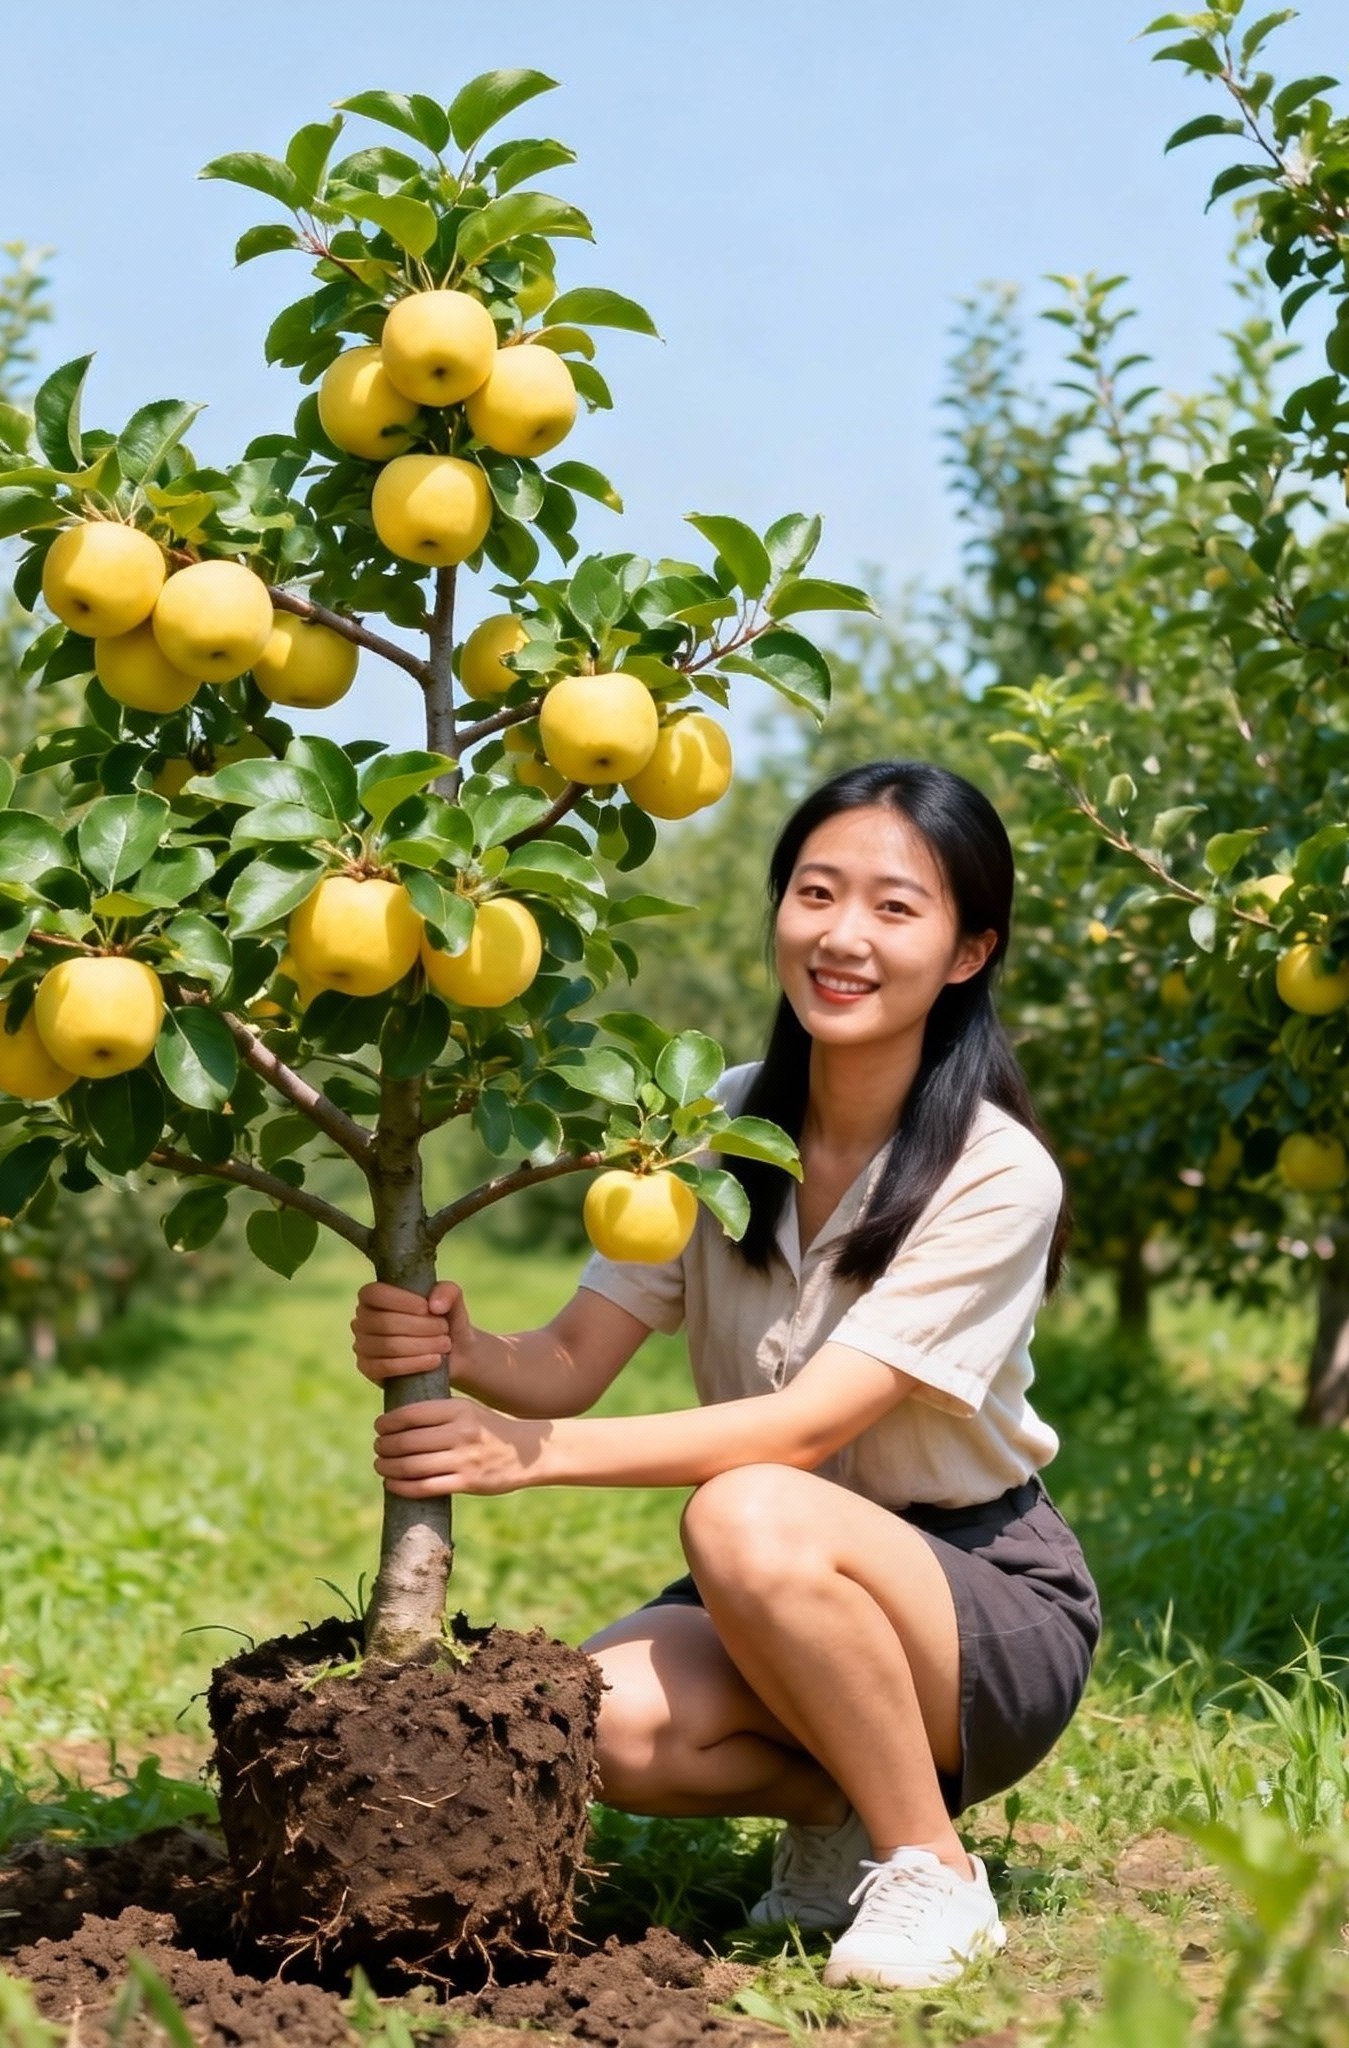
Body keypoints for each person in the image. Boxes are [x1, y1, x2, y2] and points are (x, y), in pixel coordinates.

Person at [350, 760, 1099, 1992]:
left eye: (894, 908)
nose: (841, 935)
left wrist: (519, 1459)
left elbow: (803, 1431)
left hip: (975, 1601)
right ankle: (851, 1805)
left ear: (967, 952)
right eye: (815, 892)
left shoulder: (993, 1170)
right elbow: (569, 1362)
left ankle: (931, 1862)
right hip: (773, 1593)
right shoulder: (717, 1124)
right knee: (597, 1723)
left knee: (742, 1502)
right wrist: (461, 1349)